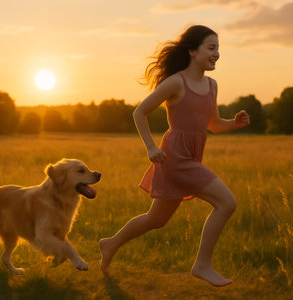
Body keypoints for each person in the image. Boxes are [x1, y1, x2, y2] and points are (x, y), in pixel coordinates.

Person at [99, 25, 250, 287]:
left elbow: (212, 125)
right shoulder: (176, 82)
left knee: (155, 220)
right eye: (211, 48)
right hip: (176, 158)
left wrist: (234, 123)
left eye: (218, 49)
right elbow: (140, 113)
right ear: (192, 50)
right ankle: (202, 265)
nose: (217, 54)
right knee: (227, 203)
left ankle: (110, 243)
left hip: (191, 157)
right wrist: (150, 147)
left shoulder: (212, 86)